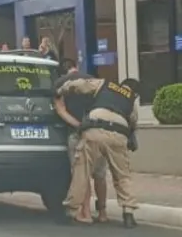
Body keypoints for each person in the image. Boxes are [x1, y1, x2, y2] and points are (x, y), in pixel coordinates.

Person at [56, 76, 140, 228]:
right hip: (118, 133)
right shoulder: (131, 99)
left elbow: (81, 85)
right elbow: (133, 122)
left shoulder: (106, 84)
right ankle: (128, 213)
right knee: (122, 175)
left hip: (95, 128)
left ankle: (71, 211)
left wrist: (63, 88)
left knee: (81, 170)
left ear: (121, 84)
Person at [52, 60, 109, 223]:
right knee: (99, 174)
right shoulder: (92, 79)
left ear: (62, 72)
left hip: (77, 133)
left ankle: (86, 213)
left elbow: (60, 110)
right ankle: (103, 213)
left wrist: (78, 125)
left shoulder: (60, 83)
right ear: (76, 67)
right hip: (98, 130)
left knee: (82, 173)